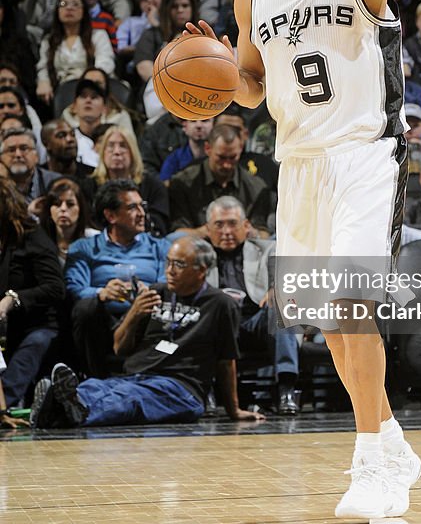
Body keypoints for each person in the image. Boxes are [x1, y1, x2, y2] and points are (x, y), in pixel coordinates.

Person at [185, 0, 421, 520]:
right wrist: (209, 74)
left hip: (366, 152)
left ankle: (370, 464)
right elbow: (252, 90)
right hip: (299, 164)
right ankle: (390, 439)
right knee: (331, 322)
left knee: (355, 306)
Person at [32, 236, 263, 428]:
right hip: (135, 376)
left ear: (201, 270)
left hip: (179, 388)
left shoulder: (220, 304)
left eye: (179, 265)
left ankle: (66, 408)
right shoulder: (156, 293)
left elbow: (226, 360)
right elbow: (119, 347)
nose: (169, 271)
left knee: (131, 399)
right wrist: (134, 313)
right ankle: (60, 407)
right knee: (97, 386)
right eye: (168, 262)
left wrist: (234, 410)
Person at [203, 196, 300, 415]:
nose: (226, 231)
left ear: (246, 226)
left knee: (281, 306)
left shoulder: (267, 249)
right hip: (218, 325)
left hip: (256, 321)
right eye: (219, 225)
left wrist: (278, 288)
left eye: (232, 224)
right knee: (203, 316)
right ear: (208, 230)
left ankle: (286, 389)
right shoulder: (199, 254)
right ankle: (204, 389)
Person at [65, 179, 171, 378]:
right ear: (111, 215)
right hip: (103, 320)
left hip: (145, 317)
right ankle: (94, 380)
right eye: (132, 207)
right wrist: (102, 293)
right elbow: (75, 288)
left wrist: (149, 291)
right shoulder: (84, 248)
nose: (141, 213)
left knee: (161, 298)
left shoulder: (159, 246)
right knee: (85, 308)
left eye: (142, 206)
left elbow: (168, 283)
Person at [0, 176, 64, 408]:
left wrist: (13, 299)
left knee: (33, 347)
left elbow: (55, 288)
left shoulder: (32, 236)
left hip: (37, 325)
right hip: (4, 328)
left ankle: (3, 402)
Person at [168, 123, 273, 236]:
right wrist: (209, 232)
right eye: (221, 158)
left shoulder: (256, 187)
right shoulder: (183, 183)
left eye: (233, 157)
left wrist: (250, 232)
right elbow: (177, 233)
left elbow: (263, 233)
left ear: (241, 149)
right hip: (197, 247)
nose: (227, 165)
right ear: (208, 148)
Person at [35, 0, 116, 106]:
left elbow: (105, 63)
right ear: (57, 11)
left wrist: (88, 83)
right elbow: (43, 67)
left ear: (84, 11)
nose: (69, 8)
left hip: (92, 89)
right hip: (60, 90)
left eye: (75, 4)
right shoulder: (49, 41)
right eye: (64, 4)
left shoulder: (98, 35)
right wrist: (43, 81)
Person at [86, 126, 170, 237]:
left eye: (123, 146)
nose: (117, 152)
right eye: (110, 146)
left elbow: (159, 225)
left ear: (133, 152)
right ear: (103, 152)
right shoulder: (89, 185)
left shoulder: (153, 185)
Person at [38, 175, 95, 263]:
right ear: (49, 209)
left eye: (70, 204)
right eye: (57, 204)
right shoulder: (39, 240)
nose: (63, 208)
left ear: (80, 208)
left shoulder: (95, 240)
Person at [0, 127, 61, 203]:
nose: (18, 155)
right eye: (11, 150)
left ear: (36, 156)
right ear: (1, 158)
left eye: (24, 148)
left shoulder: (56, 182)